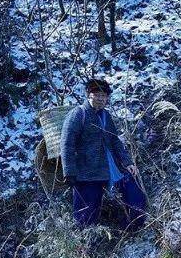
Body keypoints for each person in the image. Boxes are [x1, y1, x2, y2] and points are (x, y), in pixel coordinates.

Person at [60, 77, 146, 230]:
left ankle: (132, 227)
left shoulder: (106, 116)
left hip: (111, 168)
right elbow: (67, 144)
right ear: (88, 95)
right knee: (86, 214)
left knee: (134, 193)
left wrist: (128, 163)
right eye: (96, 95)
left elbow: (115, 141)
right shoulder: (78, 114)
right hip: (86, 173)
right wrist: (69, 172)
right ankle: (84, 245)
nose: (100, 99)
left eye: (104, 96)